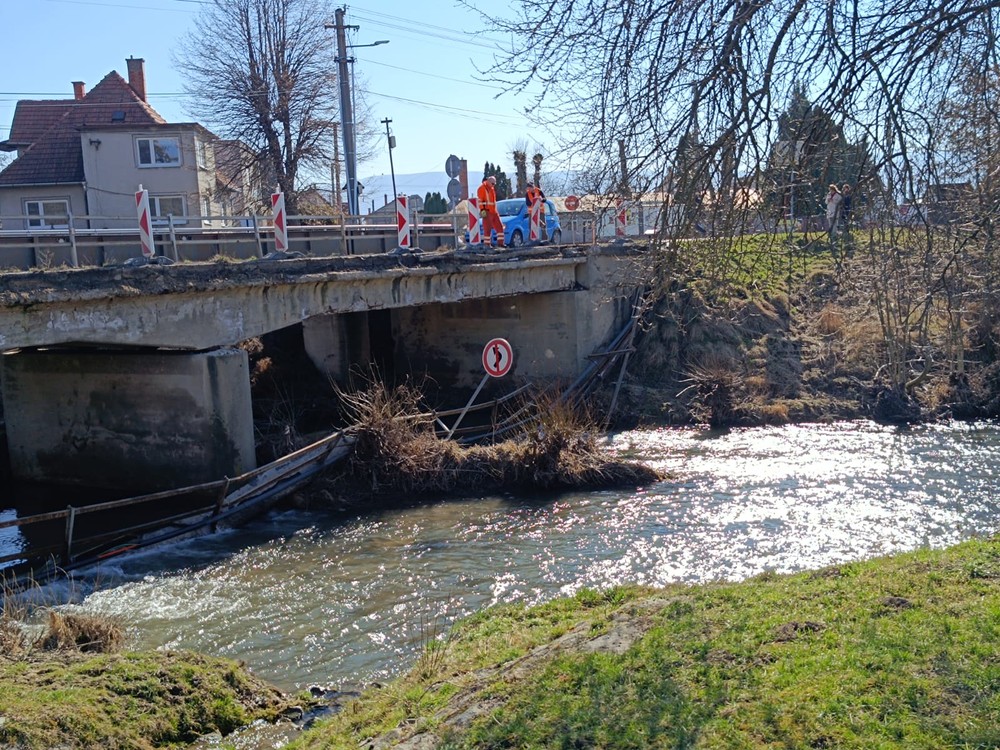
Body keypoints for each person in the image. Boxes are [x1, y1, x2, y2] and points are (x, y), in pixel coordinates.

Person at [476, 175, 505, 249]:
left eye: (494, 184)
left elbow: (493, 201)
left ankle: (500, 244)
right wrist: (483, 211)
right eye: (493, 183)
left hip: (494, 211)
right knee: (487, 229)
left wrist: (495, 210)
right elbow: (480, 201)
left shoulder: (491, 188)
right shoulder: (481, 188)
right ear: (488, 181)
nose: (494, 185)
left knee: (500, 227)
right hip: (487, 211)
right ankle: (487, 245)